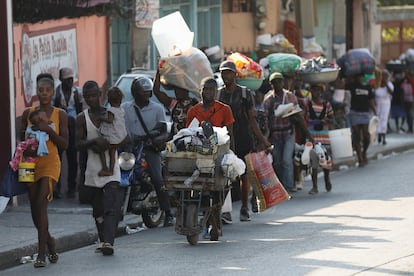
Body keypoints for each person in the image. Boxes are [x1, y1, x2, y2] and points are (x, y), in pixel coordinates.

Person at [20, 73, 69, 267]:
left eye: (47, 90)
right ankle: (50, 241)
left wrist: (48, 130)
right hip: (30, 163)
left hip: (50, 163)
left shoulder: (60, 114)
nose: (44, 93)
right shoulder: (28, 113)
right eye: (41, 90)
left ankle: (41, 255)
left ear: (52, 92)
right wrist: (28, 146)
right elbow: (21, 139)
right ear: (37, 92)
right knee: (34, 208)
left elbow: (64, 144)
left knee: (41, 203)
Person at [76, 81, 126, 256]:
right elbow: (77, 143)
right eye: (88, 96)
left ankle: (108, 242)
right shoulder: (82, 118)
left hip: (112, 169)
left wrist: (112, 143)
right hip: (93, 169)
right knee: (97, 209)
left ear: (100, 94)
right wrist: (93, 142)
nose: (92, 99)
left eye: (94, 95)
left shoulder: (110, 113)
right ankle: (103, 238)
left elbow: (125, 136)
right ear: (84, 98)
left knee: (111, 205)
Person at [217, 60, 271, 222]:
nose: (225, 76)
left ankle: (245, 207)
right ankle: (225, 210)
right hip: (224, 139)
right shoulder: (218, 94)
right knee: (223, 174)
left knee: (244, 174)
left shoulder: (245, 94)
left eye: (228, 72)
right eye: (223, 72)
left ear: (235, 75)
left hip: (243, 137)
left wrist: (262, 140)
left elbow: (252, 119)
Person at [122, 76, 174, 227]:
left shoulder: (157, 109)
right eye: (141, 91)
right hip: (130, 149)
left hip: (149, 149)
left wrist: (157, 140)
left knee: (157, 179)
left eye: (147, 92)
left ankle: (168, 213)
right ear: (134, 92)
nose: (144, 94)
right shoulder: (126, 108)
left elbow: (164, 132)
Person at [264, 72, 312, 193]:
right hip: (275, 134)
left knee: (286, 160)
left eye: (279, 81)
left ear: (283, 82)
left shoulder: (290, 97)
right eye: (275, 82)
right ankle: (280, 186)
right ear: (271, 84)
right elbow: (264, 119)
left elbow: (299, 116)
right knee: (277, 162)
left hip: (288, 133)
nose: (277, 84)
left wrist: (308, 135)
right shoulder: (269, 100)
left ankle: (288, 186)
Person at [52, 67, 84, 198]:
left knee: (72, 159)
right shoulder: (56, 94)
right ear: (61, 80)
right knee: (57, 158)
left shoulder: (77, 92)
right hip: (59, 128)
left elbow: (80, 110)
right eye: (67, 80)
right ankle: (57, 188)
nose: (70, 82)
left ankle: (72, 187)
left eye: (71, 79)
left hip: (73, 127)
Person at [304, 83, 334, 194]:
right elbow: (304, 118)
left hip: (324, 135)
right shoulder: (307, 104)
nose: (316, 93)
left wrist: (325, 121)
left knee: (326, 158)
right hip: (312, 135)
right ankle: (315, 186)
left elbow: (331, 118)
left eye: (318, 90)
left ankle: (327, 179)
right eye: (314, 90)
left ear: (321, 92)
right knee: (313, 160)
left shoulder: (327, 105)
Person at [153, 70, 198, 135]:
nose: (177, 92)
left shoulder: (195, 104)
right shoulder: (173, 103)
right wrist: (159, 71)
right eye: (175, 89)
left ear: (187, 90)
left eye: (179, 89)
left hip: (192, 140)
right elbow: (156, 91)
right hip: (176, 140)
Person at [346, 74, 377, 167]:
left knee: (366, 136)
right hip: (354, 112)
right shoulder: (351, 86)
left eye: (361, 76)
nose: (360, 78)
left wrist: (375, 111)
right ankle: (360, 157)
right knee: (356, 135)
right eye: (358, 76)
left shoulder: (368, 87)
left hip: (365, 113)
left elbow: (371, 100)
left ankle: (364, 152)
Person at [98, 87, 128, 176]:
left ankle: (105, 168)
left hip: (113, 137)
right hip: (121, 136)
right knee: (112, 153)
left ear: (109, 100)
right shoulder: (121, 110)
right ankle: (111, 170)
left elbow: (110, 120)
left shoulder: (111, 110)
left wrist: (101, 118)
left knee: (101, 149)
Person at [375, 70, 393, 145]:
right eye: (383, 75)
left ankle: (384, 136)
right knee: (378, 118)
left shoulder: (389, 84)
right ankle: (378, 134)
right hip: (378, 102)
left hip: (386, 103)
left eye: (386, 76)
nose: (384, 77)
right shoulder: (377, 84)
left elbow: (391, 92)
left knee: (384, 119)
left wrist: (386, 84)